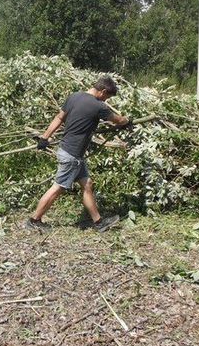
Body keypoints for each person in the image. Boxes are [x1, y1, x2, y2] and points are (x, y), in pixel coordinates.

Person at [27, 76, 132, 232]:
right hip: (71, 155)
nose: (106, 100)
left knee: (87, 184)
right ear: (103, 91)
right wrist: (128, 121)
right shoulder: (99, 106)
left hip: (69, 151)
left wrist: (45, 137)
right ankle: (34, 220)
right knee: (58, 188)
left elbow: (59, 117)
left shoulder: (74, 96)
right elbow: (117, 120)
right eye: (107, 97)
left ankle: (98, 222)